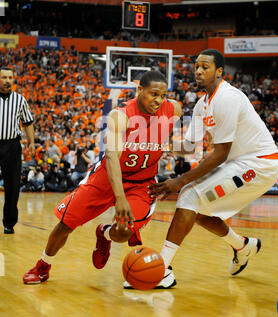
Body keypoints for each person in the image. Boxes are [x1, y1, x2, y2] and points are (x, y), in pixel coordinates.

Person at [23, 71, 182, 285]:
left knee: (123, 232)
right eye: (153, 94)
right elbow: (111, 157)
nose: (158, 100)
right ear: (139, 90)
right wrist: (120, 198)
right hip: (108, 176)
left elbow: (188, 125)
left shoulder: (173, 109)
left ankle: (104, 234)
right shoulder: (121, 115)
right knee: (66, 223)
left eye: (163, 95)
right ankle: (43, 265)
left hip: (142, 183)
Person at [150, 49, 278, 285]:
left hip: (259, 164)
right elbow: (189, 146)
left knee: (189, 194)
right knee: (197, 212)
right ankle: (242, 246)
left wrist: (179, 182)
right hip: (239, 163)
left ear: (219, 71)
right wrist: (157, 145)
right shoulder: (202, 104)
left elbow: (220, 153)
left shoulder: (228, 97)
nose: (198, 71)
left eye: (205, 67)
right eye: (196, 67)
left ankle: (162, 269)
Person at [0, 67, 35, 233]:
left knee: (12, 185)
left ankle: (9, 223)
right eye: (4, 77)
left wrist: (31, 143)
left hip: (12, 145)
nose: (7, 80)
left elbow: (28, 122)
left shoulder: (20, 100)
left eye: (10, 77)